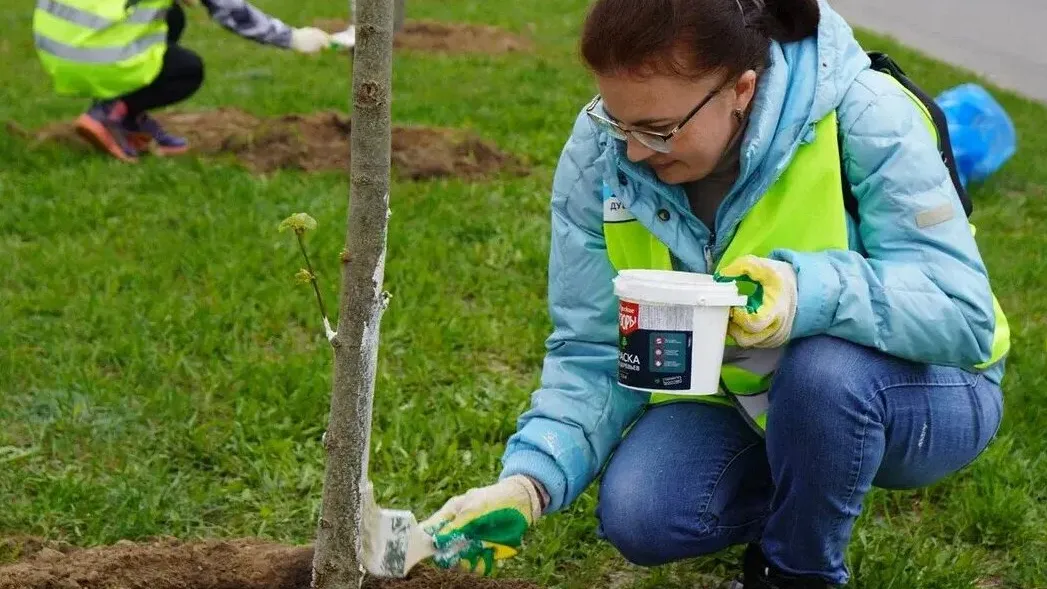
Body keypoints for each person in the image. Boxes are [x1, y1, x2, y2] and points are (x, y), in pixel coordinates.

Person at [420, 0, 1011, 587]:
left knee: (823, 374)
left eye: (658, 130)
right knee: (642, 512)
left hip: (927, 386)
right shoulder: (600, 152)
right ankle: (815, 484)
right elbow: (593, 347)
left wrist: (804, 294)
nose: (634, 152)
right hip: (744, 397)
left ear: (742, 90)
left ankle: (794, 572)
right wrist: (528, 483)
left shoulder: (865, 112)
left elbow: (959, 310)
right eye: (617, 121)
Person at [32, 0, 332, 162]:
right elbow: (233, 12)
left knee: (171, 16)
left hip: (54, 47)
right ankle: (111, 111)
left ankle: (125, 116)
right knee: (186, 70)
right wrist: (293, 38)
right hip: (95, 58)